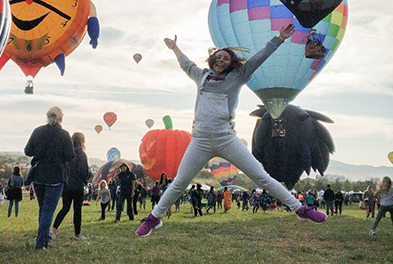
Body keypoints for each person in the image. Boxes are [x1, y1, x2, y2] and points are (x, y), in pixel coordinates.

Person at [136, 28, 326, 237]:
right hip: (199, 140)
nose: (221, 60)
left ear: (231, 62)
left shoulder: (237, 77)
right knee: (180, 182)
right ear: (212, 59)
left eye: (226, 58)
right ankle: (154, 218)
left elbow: (258, 59)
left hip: (226, 138)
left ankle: (300, 209)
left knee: (261, 177)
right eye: (218, 57)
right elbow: (186, 64)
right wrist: (175, 48)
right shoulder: (201, 76)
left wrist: (279, 39)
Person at [24, 107, 75, 250]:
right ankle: (41, 243)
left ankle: (43, 238)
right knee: (48, 210)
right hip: (56, 176)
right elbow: (70, 156)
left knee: (43, 208)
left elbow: (28, 151)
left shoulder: (38, 131)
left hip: (39, 174)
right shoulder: (64, 134)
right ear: (61, 118)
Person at [51, 132, 89, 240]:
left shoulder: (67, 153)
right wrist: (85, 179)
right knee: (77, 210)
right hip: (77, 186)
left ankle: (53, 230)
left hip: (66, 185)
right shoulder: (81, 154)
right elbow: (83, 172)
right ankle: (77, 234)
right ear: (82, 141)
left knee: (65, 208)